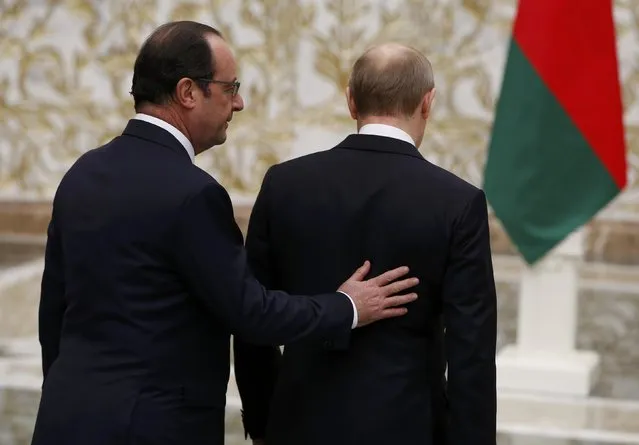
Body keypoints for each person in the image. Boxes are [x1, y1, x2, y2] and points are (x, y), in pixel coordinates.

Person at [30, 23, 420, 445]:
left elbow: (54, 312)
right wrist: (347, 307)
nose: (239, 102)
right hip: (151, 427)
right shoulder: (193, 195)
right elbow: (250, 313)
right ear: (188, 92)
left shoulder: (82, 174)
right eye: (229, 87)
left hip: (65, 418)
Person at [234, 43, 498, 445]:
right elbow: (471, 354)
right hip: (405, 426)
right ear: (427, 103)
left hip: (298, 421)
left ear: (351, 101)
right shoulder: (457, 202)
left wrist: (264, 418)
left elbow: (252, 320)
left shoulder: (284, 185)